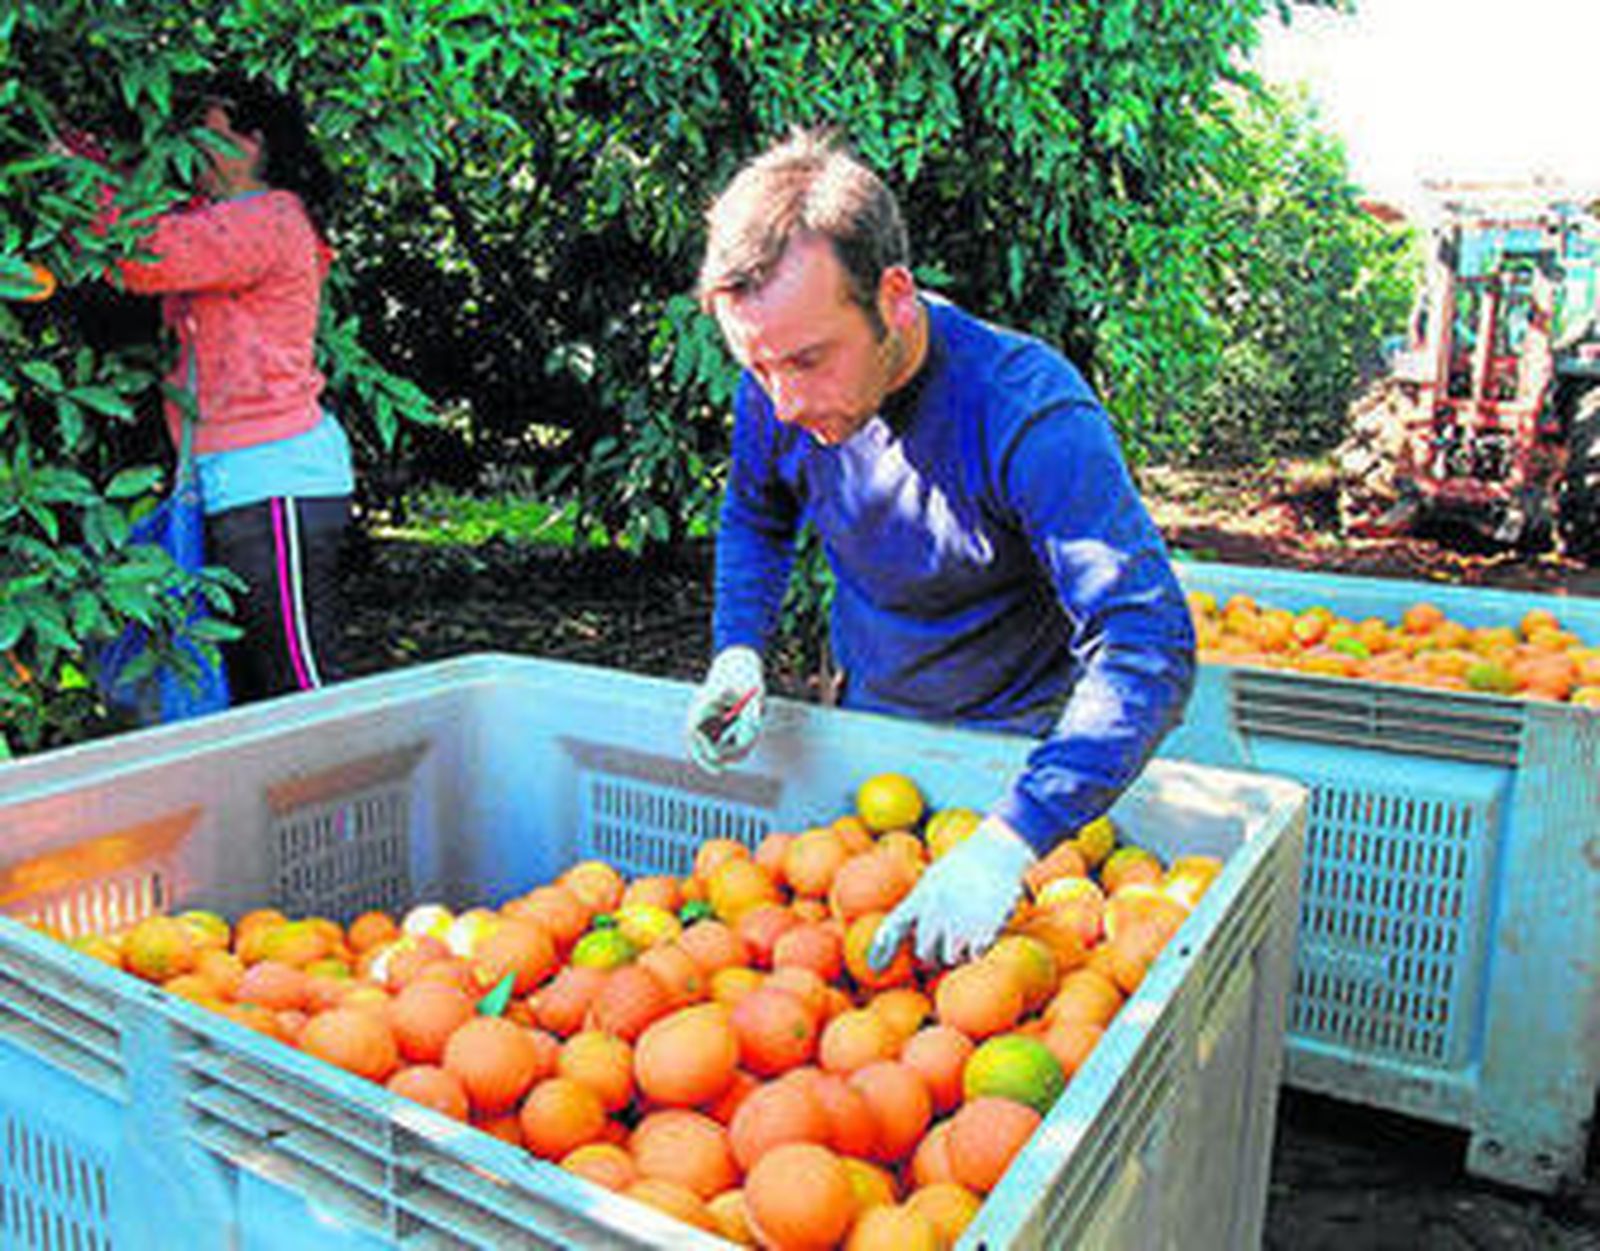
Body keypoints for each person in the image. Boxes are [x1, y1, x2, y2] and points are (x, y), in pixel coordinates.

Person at [682, 129, 1196, 968]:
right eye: (758, 365)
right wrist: (739, 647)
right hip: (873, 735)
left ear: (893, 297)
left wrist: (1013, 839)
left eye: (808, 359)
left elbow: (1148, 644)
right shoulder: (777, 386)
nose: (781, 403)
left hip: (1025, 759)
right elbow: (756, 513)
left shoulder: (1028, 416)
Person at [85, 72, 352, 704]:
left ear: (252, 141)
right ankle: (279, 804)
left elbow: (147, 254)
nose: (188, 146)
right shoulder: (217, 218)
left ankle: (350, 806)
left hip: (277, 481)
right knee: (250, 688)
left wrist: (75, 173)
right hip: (231, 479)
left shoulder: (272, 217)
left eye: (204, 130)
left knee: (303, 682)